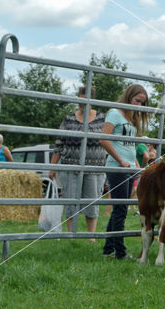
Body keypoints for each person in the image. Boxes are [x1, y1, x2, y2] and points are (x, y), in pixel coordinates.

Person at [49, 86, 107, 240]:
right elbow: (59, 143)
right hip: (71, 166)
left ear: (92, 100)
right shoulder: (68, 119)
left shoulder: (103, 118)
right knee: (70, 201)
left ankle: (91, 236)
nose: (83, 104)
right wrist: (52, 166)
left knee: (92, 201)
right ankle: (71, 235)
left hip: (95, 167)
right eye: (80, 100)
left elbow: (109, 141)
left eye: (85, 100)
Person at [99, 84, 149, 259]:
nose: (139, 106)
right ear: (129, 97)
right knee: (120, 209)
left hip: (129, 167)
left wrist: (135, 164)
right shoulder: (115, 113)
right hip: (117, 167)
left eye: (142, 103)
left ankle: (108, 249)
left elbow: (130, 145)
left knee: (120, 208)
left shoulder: (132, 118)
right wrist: (120, 161)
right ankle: (120, 252)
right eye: (137, 101)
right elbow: (104, 139)